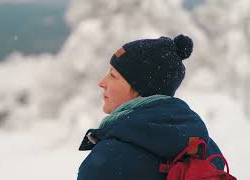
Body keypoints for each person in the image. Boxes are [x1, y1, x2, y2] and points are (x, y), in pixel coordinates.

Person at [77, 34, 224, 180]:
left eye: (113, 76)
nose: (102, 82)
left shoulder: (107, 161)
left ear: (140, 89)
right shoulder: (206, 150)